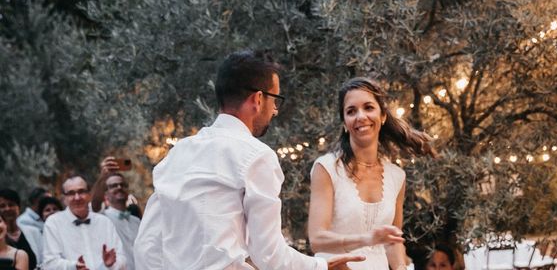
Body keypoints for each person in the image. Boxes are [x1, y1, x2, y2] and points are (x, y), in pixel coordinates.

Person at [134, 50, 364, 270]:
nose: (275, 110)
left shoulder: (178, 154)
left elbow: (146, 246)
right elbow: (269, 254)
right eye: (275, 100)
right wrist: (320, 265)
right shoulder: (257, 157)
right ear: (258, 99)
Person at [308, 77, 437, 270]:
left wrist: (401, 268)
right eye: (351, 111)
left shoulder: (397, 176)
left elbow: (393, 241)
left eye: (368, 107)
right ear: (344, 122)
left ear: (383, 116)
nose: (361, 116)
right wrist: (367, 239)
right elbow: (317, 239)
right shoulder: (326, 168)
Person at [42, 175, 126, 270]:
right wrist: (74, 267)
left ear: (89, 195)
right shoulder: (53, 223)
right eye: (71, 193)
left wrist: (109, 265)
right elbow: (50, 263)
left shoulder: (104, 222)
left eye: (81, 192)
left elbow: (121, 257)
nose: (77, 198)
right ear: (64, 198)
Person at [91, 158, 141, 270]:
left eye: (122, 185)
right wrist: (102, 177)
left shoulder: (136, 221)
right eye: (113, 186)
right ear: (106, 194)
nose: (119, 187)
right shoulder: (103, 218)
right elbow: (95, 206)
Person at [0, 190, 39, 270]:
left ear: (19, 207)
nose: (7, 209)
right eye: (2, 206)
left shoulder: (34, 232)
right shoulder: (1, 236)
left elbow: (43, 259)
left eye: (11, 205)